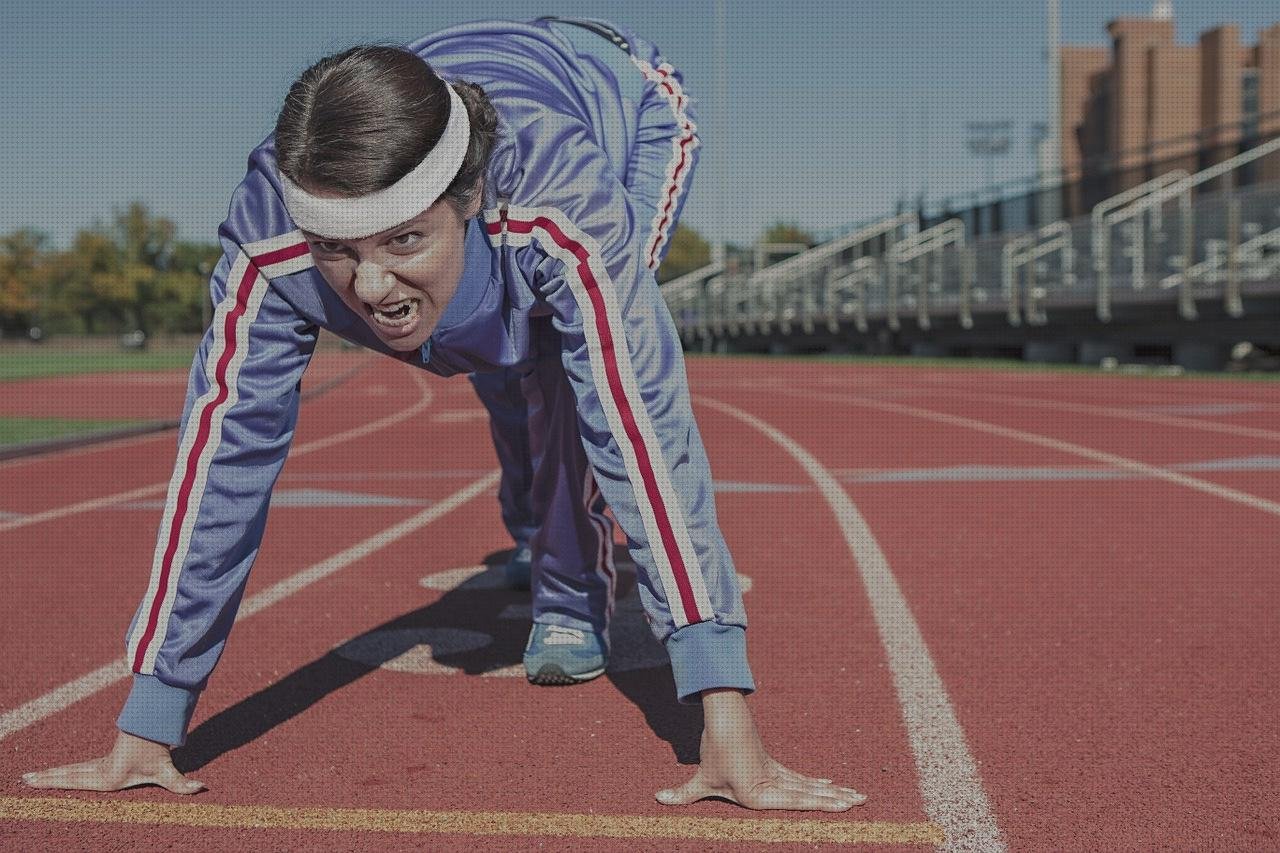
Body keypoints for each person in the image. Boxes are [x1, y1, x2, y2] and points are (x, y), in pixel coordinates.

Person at [22, 17, 866, 811]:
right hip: (454, 108)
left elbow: (642, 427)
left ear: (463, 199)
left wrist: (723, 715)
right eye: (337, 252)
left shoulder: (560, 199)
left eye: (401, 242)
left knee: (571, 371)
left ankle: (570, 591)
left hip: (623, 100)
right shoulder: (268, 240)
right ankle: (532, 520)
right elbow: (220, 466)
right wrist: (149, 718)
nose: (372, 288)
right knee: (493, 352)